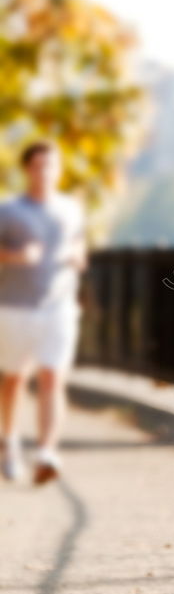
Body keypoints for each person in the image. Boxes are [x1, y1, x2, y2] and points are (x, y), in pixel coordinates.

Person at [0, 140, 87, 485]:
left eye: (51, 166)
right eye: (39, 166)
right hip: (14, 308)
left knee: (53, 377)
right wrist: (15, 256)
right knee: (14, 379)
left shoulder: (70, 209)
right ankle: (9, 444)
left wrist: (77, 257)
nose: (46, 173)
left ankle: (47, 452)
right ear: (27, 170)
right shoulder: (9, 212)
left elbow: (78, 243)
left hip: (59, 307)